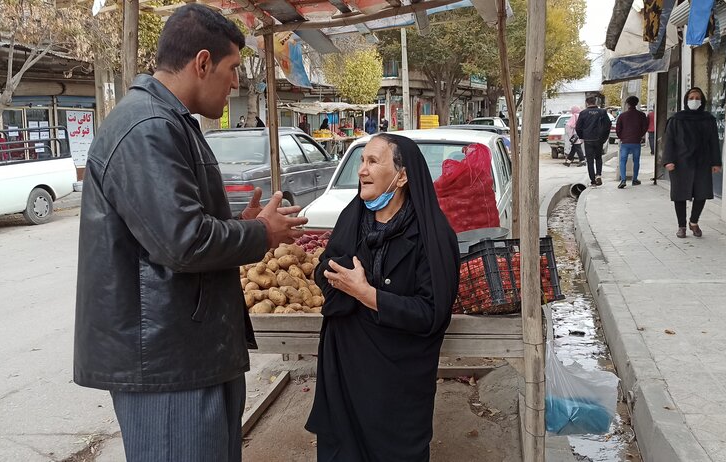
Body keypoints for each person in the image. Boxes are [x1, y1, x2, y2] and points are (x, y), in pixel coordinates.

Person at [74, 5, 308, 462]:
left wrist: (240, 227)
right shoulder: (147, 127)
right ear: (202, 63)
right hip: (168, 363)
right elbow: (183, 242)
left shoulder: (169, 121)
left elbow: (173, 228)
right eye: (233, 70)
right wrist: (260, 233)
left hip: (190, 352)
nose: (236, 83)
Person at [306, 133, 460, 461]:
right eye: (361, 161)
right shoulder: (352, 219)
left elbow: (432, 312)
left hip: (397, 383)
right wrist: (339, 279)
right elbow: (324, 270)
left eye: (373, 161)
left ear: (402, 176)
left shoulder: (431, 236)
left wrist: (368, 295)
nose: (362, 170)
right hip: (345, 372)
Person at [663, 87, 722, 238]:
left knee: (701, 193)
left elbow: (714, 142)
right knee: (680, 195)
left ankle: (693, 222)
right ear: (686, 100)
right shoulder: (676, 119)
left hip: (702, 161)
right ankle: (681, 226)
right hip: (680, 162)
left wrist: (716, 162)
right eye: (691, 98)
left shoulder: (709, 119)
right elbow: (669, 141)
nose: (694, 100)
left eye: (697, 98)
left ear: (702, 101)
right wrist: (668, 160)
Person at [575, 96, 612, 186]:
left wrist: (582, 137)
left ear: (587, 103)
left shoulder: (583, 113)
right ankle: (598, 175)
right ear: (595, 102)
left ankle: (593, 180)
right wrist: (604, 138)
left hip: (588, 139)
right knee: (598, 158)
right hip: (599, 139)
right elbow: (608, 125)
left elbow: (578, 127)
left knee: (590, 160)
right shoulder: (602, 112)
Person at [615, 96, 648, 188]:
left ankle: (623, 179)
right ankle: (635, 179)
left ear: (628, 104)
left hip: (625, 142)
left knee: (623, 160)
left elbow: (618, 129)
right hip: (636, 142)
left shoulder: (622, 115)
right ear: (637, 103)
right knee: (636, 160)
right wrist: (639, 136)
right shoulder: (641, 115)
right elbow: (645, 127)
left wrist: (622, 137)